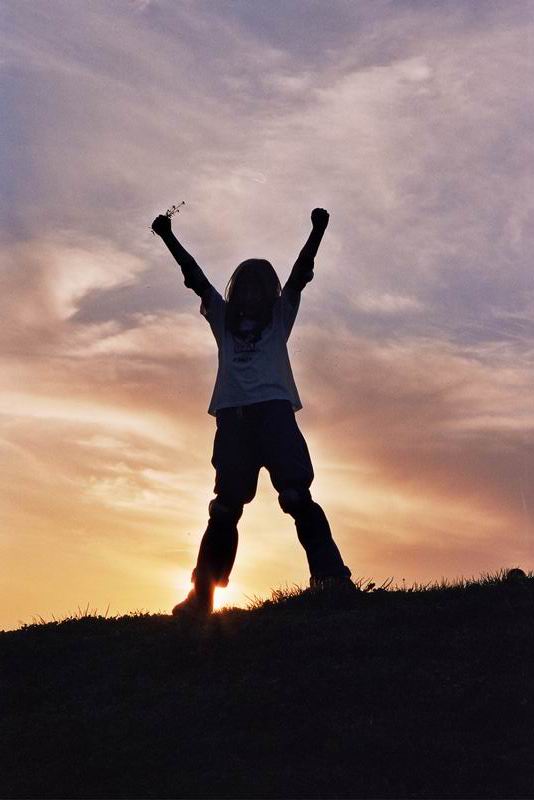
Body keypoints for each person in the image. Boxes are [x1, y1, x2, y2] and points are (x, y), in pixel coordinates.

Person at [151, 207, 354, 617]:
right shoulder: (222, 320)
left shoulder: (279, 318)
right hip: (234, 421)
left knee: (296, 495)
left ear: (268, 294)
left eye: (257, 289)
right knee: (226, 507)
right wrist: (168, 236)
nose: (248, 296)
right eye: (243, 289)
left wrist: (317, 231)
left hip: (274, 416)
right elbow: (195, 278)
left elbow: (300, 274)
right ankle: (202, 596)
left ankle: (331, 577)